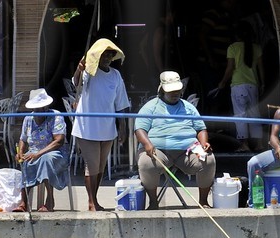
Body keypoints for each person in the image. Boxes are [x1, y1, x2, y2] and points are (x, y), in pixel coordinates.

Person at [135, 71, 215, 209]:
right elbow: (139, 129)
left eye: (177, 90)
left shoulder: (188, 107)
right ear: (162, 90)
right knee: (146, 163)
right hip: (159, 151)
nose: (175, 93)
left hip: (186, 151)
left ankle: (203, 201)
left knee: (209, 160)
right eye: (171, 91)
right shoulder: (150, 106)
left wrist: (203, 143)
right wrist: (147, 144)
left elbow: (201, 128)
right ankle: (153, 202)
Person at [71, 38, 128, 212]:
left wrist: (123, 127)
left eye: (110, 54)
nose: (107, 57)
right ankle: (91, 202)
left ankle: (94, 199)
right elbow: (77, 82)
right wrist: (79, 69)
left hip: (107, 128)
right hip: (87, 127)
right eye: (104, 54)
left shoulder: (116, 76)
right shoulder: (90, 71)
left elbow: (121, 104)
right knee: (92, 165)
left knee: (101, 166)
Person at [17, 88, 68, 212]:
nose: (39, 111)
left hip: (55, 153)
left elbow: (59, 141)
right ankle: (24, 201)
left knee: (45, 159)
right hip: (34, 151)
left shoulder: (56, 116)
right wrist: (20, 153)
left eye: (42, 108)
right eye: (36, 108)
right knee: (24, 161)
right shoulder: (28, 119)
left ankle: (49, 200)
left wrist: (38, 154)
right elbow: (23, 139)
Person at [219, 25, 263, 151]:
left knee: (240, 115)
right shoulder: (257, 48)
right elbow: (261, 68)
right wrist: (262, 83)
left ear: (237, 35)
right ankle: (259, 144)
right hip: (253, 85)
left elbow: (230, 68)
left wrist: (223, 82)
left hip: (238, 85)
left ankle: (245, 144)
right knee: (255, 114)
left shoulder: (233, 48)